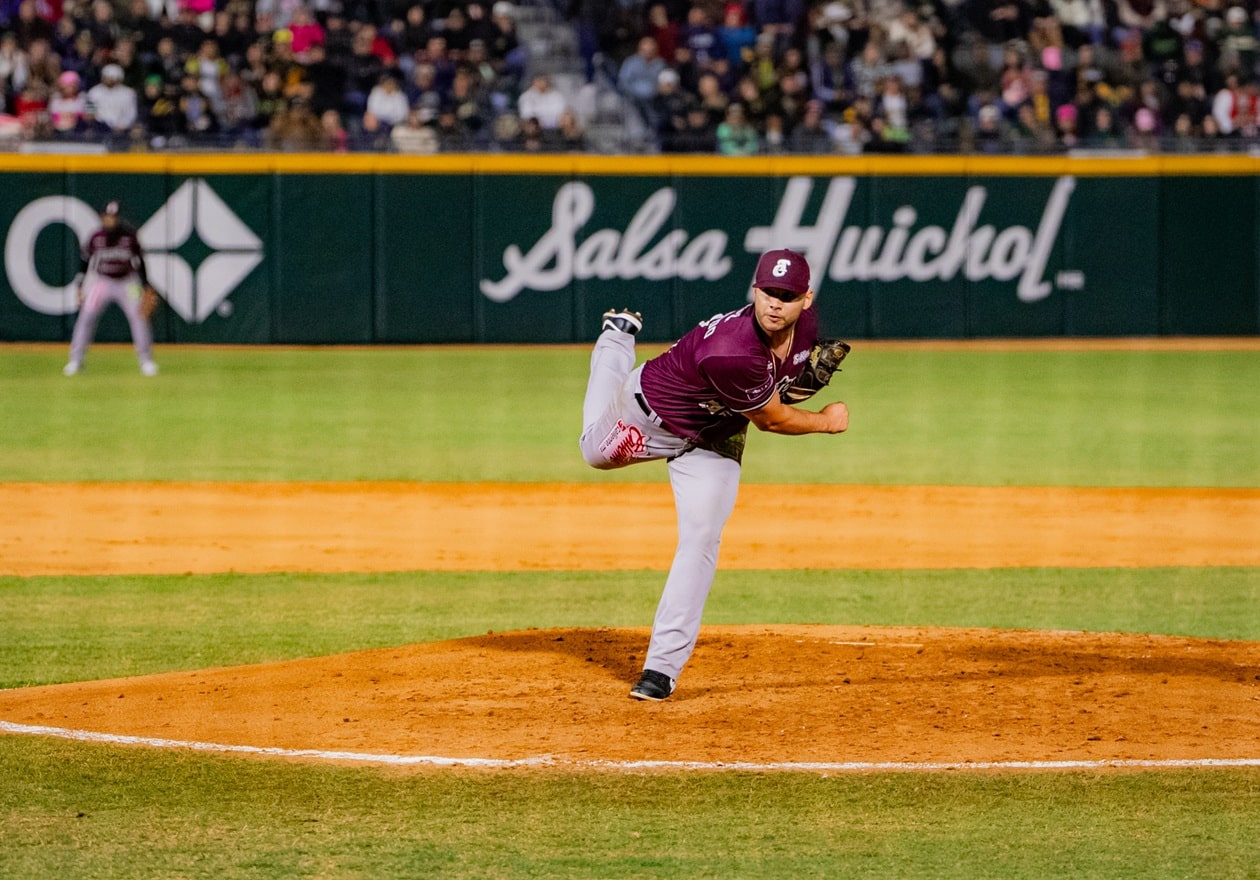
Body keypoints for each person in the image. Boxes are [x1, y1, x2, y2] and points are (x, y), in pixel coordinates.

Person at [579, 249, 850, 701]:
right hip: (651, 419)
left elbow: (777, 388)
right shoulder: (732, 349)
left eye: (786, 295)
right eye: (767, 292)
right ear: (754, 290)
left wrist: (792, 385)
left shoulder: (806, 327)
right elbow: (773, 420)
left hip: (715, 436)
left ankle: (660, 670)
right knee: (592, 451)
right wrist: (825, 419)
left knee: (702, 538)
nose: (774, 304)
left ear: (807, 299)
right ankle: (616, 340)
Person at [63, 200, 158, 377]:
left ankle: (146, 361)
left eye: (113, 217)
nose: (110, 220)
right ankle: (75, 360)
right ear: (102, 217)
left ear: (118, 218)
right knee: (87, 315)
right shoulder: (96, 237)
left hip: (128, 282)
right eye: (107, 217)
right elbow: (84, 263)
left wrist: (145, 286)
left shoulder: (129, 237)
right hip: (102, 281)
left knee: (139, 317)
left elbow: (140, 263)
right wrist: (80, 286)